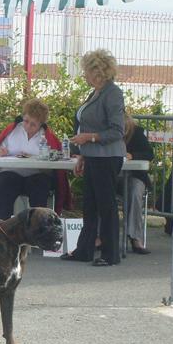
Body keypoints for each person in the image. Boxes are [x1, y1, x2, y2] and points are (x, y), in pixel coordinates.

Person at [62, 49, 126, 266]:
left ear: (97, 71)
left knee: (106, 206)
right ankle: (84, 250)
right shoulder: (96, 93)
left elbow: (117, 130)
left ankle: (110, 254)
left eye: (86, 71)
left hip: (107, 157)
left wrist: (89, 138)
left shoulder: (113, 94)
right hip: (93, 156)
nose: (84, 75)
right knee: (89, 205)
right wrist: (83, 155)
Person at [0, 98, 72, 220]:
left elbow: (56, 164)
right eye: (26, 121)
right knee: (5, 188)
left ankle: (38, 231)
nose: (28, 126)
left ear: (41, 124)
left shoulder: (48, 137)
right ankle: (1, 230)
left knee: (40, 187)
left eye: (33, 124)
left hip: (36, 175)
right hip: (10, 173)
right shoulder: (12, 131)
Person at [96, 114, 154, 254]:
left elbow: (149, 154)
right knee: (99, 189)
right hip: (113, 175)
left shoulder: (137, 133)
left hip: (134, 175)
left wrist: (132, 155)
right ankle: (98, 236)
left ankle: (135, 237)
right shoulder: (105, 134)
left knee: (135, 192)